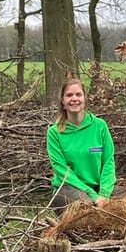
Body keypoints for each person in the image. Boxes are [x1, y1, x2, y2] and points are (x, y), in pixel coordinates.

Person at [46, 78, 116, 214]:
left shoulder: (100, 126)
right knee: (85, 208)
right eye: (69, 95)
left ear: (84, 98)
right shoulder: (54, 133)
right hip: (68, 188)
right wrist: (93, 196)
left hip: (99, 188)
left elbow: (108, 162)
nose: (74, 99)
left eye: (78, 94)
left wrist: (105, 194)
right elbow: (62, 171)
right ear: (63, 101)